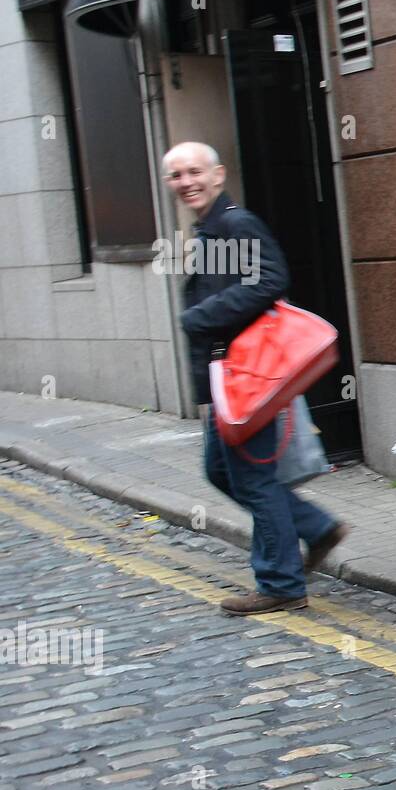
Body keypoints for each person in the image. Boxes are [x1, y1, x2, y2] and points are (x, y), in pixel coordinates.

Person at [166, 142, 348, 615]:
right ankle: (315, 527)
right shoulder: (211, 229)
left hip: (248, 378)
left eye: (195, 172)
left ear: (218, 175)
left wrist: (199, 316)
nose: (186, 182)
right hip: (229, 380)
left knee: (252, 481)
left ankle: (281, 583)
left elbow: (269, 281)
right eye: (177, 175)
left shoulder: (234, 223)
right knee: (222, 471)